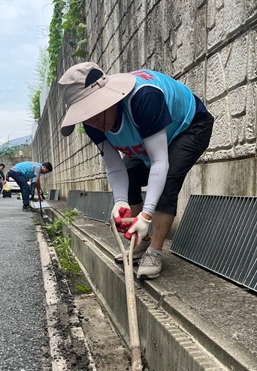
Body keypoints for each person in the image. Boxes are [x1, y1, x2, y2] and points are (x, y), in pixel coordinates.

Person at [58, 62, 214, 280]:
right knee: (131, 176)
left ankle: (155, 252)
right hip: (151, 136)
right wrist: (120, 201)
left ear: (109, 98)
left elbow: (160, 161)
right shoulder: (92, 124)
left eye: (93, 110)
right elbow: (115, 166)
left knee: (167, 182)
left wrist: (147, 214)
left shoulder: (143, 98)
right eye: (84, 115)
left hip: (188, 126)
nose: (90, 120)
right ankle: (141, 241)